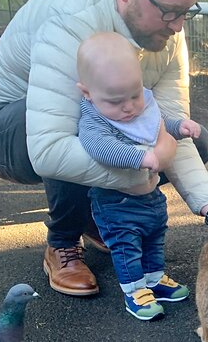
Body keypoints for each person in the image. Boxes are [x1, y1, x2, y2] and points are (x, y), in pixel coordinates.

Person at [0, 0, 208, 297]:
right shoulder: (69, 19)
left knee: (194, 140)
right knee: (85, 118)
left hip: (74, 122)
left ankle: (98, 214)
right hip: (1, 122)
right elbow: (49, 149)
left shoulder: (166, 27)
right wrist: (138, 174)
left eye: (187, 10)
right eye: (170, 11)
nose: (180, 26)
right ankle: (62, 241)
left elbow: (165, 127)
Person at [77, 32, 193, 320]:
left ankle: (155, 279)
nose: (128, 107)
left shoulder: (133, 105)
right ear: (88, 93)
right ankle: (134, 292)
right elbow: (101, 147)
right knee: (126, 247)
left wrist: (180, 126)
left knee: (155, 237)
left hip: (150, 196)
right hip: (117, 202)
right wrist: (142, 157)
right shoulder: (94, 119)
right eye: (116, 101)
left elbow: (158, 122)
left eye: (135, 95)